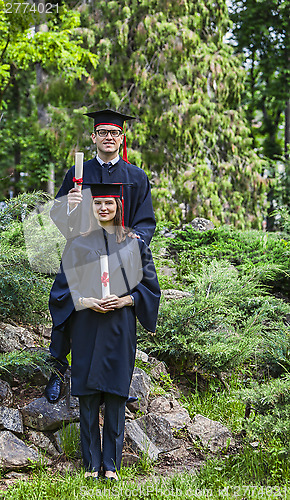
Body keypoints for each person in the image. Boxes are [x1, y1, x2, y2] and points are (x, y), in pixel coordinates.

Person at [45, 109, 156, 403]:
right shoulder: (77, 175)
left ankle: (117, 382)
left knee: (116, 318)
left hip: (120, 256)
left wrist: (137, 240)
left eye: (115, 133)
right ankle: (57, 369)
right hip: (81, 253)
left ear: (122, 137)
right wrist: (70, 206)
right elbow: (60, 218)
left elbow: (146, 220)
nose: (109, 138)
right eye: (103, 133)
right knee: (67, 304)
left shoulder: (136, 176)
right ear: (93, 137)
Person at [58, 183, 160, 480]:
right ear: (92, 207)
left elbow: (150, 288)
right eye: (98, 203)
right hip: (87, 325)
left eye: (109, 204)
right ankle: (91, 465)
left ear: (118, 207)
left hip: (120, 326)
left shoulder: (134, 243)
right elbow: (62, 291)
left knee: (116, 394)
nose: (103, 208)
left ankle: (112, 466)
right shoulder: (77, 244)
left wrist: (127, 299)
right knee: (88, 395)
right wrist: (85, 300)